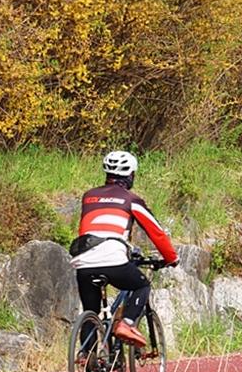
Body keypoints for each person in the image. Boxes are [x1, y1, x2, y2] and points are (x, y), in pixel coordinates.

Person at [70, 150, 179, 351]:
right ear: (130, 175)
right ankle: (127, 323)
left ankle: (89, 365)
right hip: (112, 257)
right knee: (142, 285)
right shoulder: (131, 199)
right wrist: (171, 258)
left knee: (90, 312)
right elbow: (156, 232)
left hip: (83, 261)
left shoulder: (89, 197)